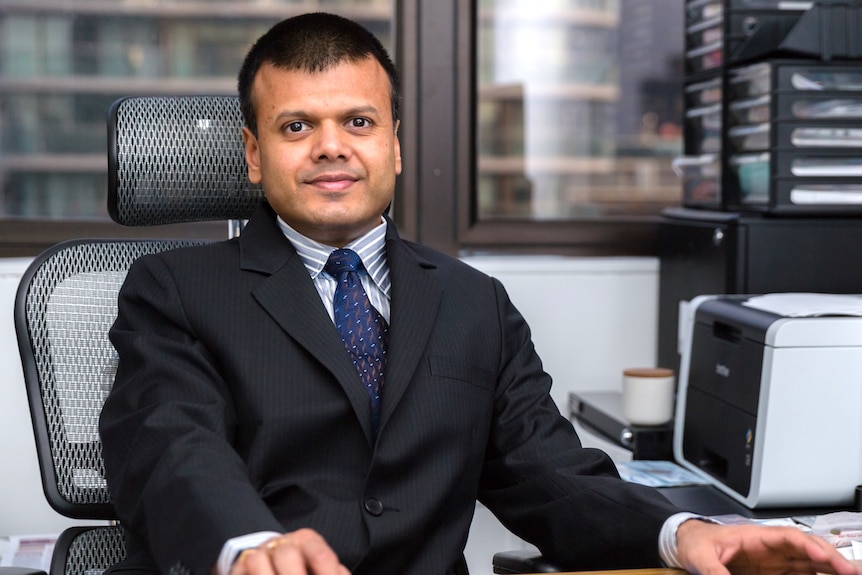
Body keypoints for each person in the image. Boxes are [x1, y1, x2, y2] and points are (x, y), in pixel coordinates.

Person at [98, 12, 861, 575]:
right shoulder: (172, 289)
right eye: (297, 125)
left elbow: (550, 476)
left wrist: (686, 531)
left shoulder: (475, 302)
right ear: (254, 156)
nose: (331, 144)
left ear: (394, 143)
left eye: (357, 121)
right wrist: (247, 546)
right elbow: (171, 445)